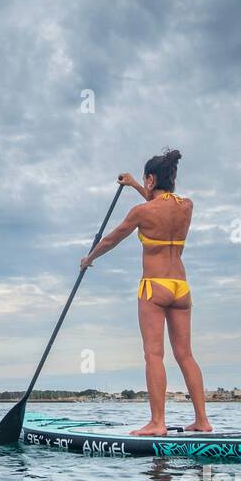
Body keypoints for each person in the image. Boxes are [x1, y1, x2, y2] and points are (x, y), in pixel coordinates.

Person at [79, 149, 213, 436]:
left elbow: (112, 238)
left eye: (145, 180)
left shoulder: (142, 212)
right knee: (186, 355)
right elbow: (161, 208)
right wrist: (135, 186)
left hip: (154, 287)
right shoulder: (187, 206)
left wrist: (89, 258)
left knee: (153, 355)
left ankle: (157, 423)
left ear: (152, 179)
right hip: (181, 289)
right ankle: (202, 420)